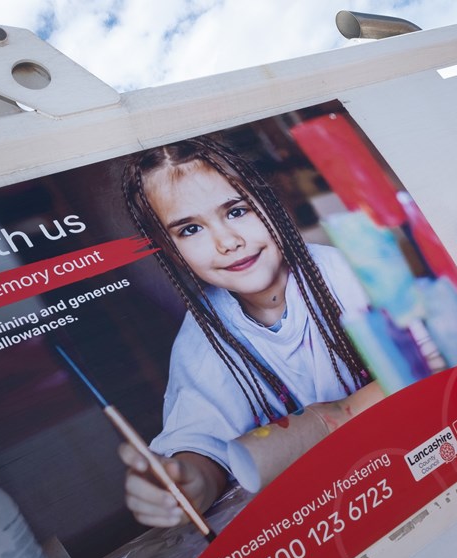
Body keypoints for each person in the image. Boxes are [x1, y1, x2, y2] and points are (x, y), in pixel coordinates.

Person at [117, 135, 371, 528]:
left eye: (237, 211)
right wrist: (185, 483)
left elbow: (433, 363)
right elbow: (202, 447)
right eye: (189, 230)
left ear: (272, 201)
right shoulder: (203, 338)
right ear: (169, 250)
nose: (227, 242)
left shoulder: (345, 273)